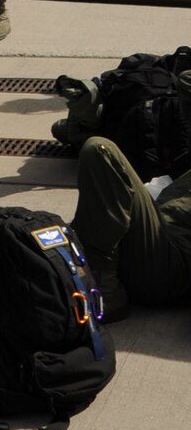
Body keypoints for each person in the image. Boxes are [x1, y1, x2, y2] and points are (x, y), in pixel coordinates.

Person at [71, 137, 191, 320]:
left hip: (167, 261)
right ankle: (88, 271)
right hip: (154, 233)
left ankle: (105, 289)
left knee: (101, 150)